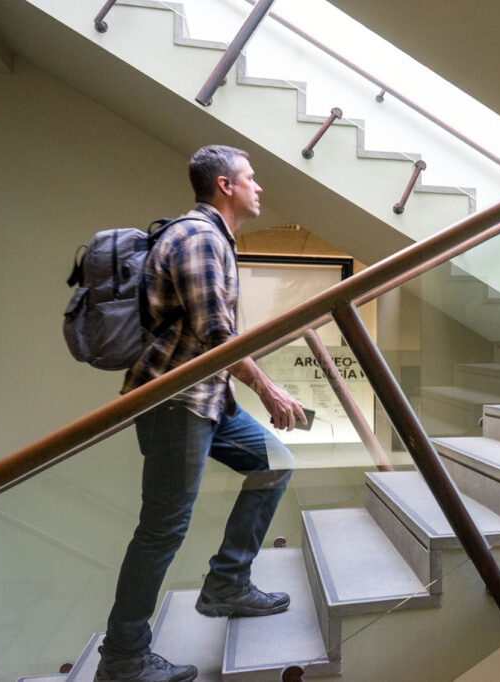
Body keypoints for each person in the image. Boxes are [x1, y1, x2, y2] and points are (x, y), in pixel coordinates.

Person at [95, 145, 307, 682]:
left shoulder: (210, 237)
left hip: (210, 399)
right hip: (175, 403)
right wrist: (272, 391)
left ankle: (228, 584)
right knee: (163, 528)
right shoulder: (199, 237)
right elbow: (217, 336)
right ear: (224, 185)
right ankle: (124, 656)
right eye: (251, 178)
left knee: (274, 463)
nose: (259, 187)